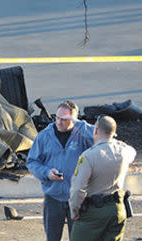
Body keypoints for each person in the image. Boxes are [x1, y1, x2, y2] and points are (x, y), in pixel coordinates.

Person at [26, 100, 94, 241]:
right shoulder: (44, 136)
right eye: (57, 117)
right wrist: (46, 173)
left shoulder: (82, 134)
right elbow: (32, 162)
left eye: (65, 119)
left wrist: (79, 124)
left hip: (78, 199)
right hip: (53, 199)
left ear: (74, 119)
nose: (59, 122)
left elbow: (102, 136)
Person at [69, 115, 136, 241]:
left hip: (94, 212)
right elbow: (133, 151)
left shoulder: (89, 156)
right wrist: (116, 142)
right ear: (114, 133)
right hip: (117, 209)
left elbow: (78, 188)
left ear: (95, 130)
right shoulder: (124, 152)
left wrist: (74, 210)